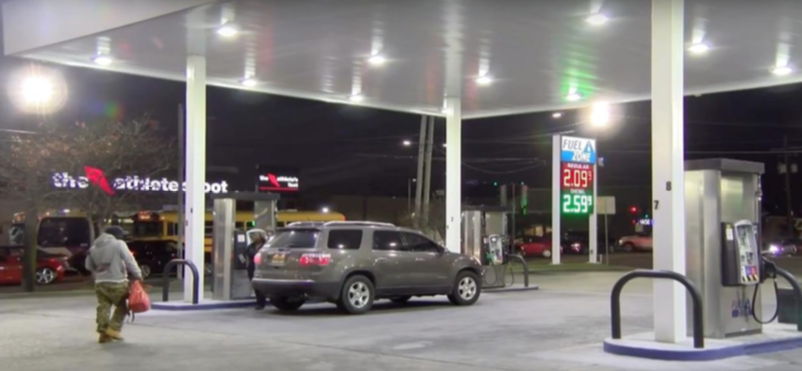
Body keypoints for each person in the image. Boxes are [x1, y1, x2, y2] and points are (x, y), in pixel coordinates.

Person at [85, 226, 142, 343]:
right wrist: (137, 274)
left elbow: (88, 266)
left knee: (103, 306)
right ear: (117, 235)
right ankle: (114, 329)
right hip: (117, 281)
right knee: (123, 305)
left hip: (100, 283)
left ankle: (103, 332)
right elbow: (129, 260)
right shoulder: (119, 244)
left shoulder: (93, 248)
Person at [245, 231, 268, 309]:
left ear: (261, 236)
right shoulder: (250, 246)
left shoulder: (266, 246)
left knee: (262, 285)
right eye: (252, 236)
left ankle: (262, 302)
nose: (253, 237)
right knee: (255, 285)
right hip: (252, 266)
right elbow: (247, 255)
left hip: (263, 266)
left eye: (255, 235)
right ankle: (259, 301)